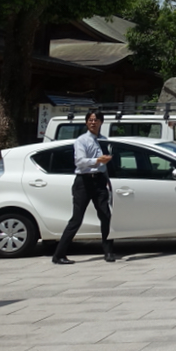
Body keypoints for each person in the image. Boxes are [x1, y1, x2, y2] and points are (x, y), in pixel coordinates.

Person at [52, 109, 116, 264]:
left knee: (106, 216)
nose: (93, 122)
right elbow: (79, 161)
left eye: (96, 120)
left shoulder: (104, 140)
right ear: (87, 122)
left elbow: (107, 163)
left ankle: (108, 252)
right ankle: (59, 255)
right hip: (84, 181)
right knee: (77, 219)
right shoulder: (81, 140)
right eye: (90, 120)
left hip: (100, 181)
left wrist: (108, 179)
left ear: (101, 122)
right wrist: (97, 161)